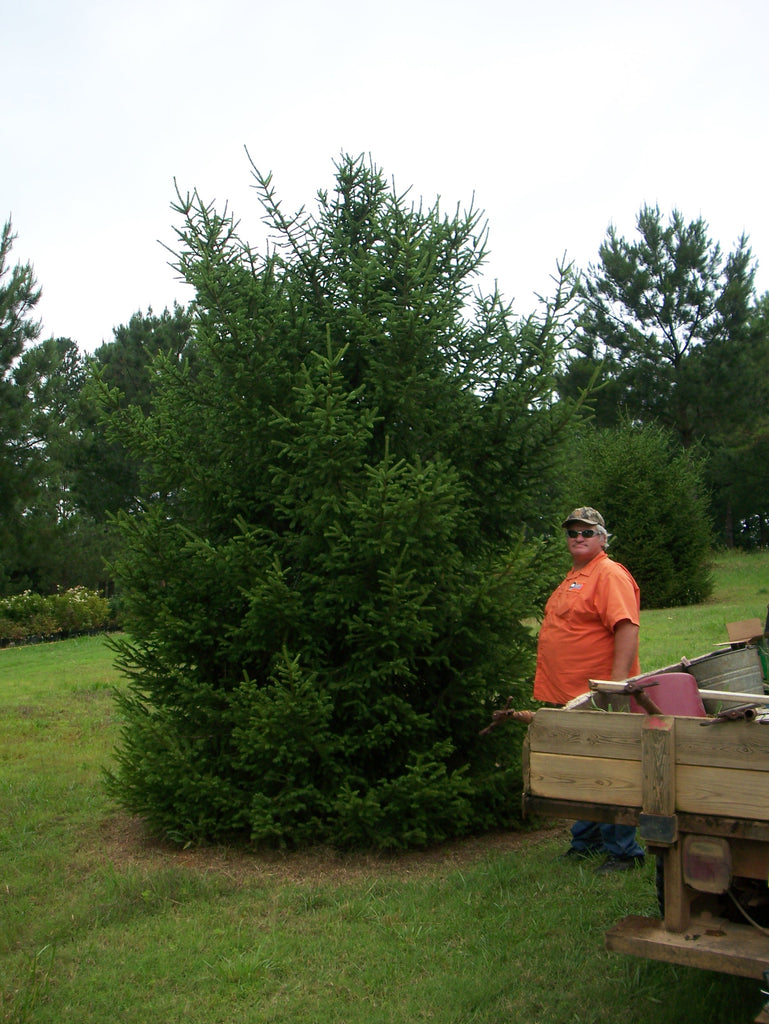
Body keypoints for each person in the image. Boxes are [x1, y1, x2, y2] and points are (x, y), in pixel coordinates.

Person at [533, 506, 645, 873]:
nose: (578, 537)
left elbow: (626, 627)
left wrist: (614, 685)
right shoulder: (575, 576)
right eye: (572, 532)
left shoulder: (609, 574)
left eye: (586, 532)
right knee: (584, 771)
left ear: (602, 537)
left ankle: (624, 852)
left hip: (599, 697)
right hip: (569, 694)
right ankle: (587, 840)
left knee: (609, 771)